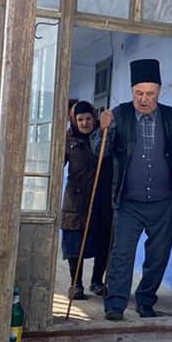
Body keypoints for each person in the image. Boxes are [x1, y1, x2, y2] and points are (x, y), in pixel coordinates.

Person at [95, 59, 172, 320]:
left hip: (165, 202)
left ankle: (145, 301)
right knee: (122, 254)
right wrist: (102, 128)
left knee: (158, 256)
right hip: (129, 201)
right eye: (139, 93)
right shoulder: (119, 115)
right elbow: (99, 152)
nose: (144, 99)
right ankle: (115, 305)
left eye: (150, 93)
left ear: (159, 91)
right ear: (132, 91)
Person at [61, 100, 111, 299]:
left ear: (94, 118)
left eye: (88, 119)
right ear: (74, 120)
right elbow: (57, 162)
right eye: (80, 119)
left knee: (102, 242)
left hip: (101, 197)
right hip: (76, 199)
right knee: (75, 243)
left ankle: (97, 281)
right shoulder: (68, 139)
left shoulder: (103, 135)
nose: (84, 123)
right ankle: (76, 284)